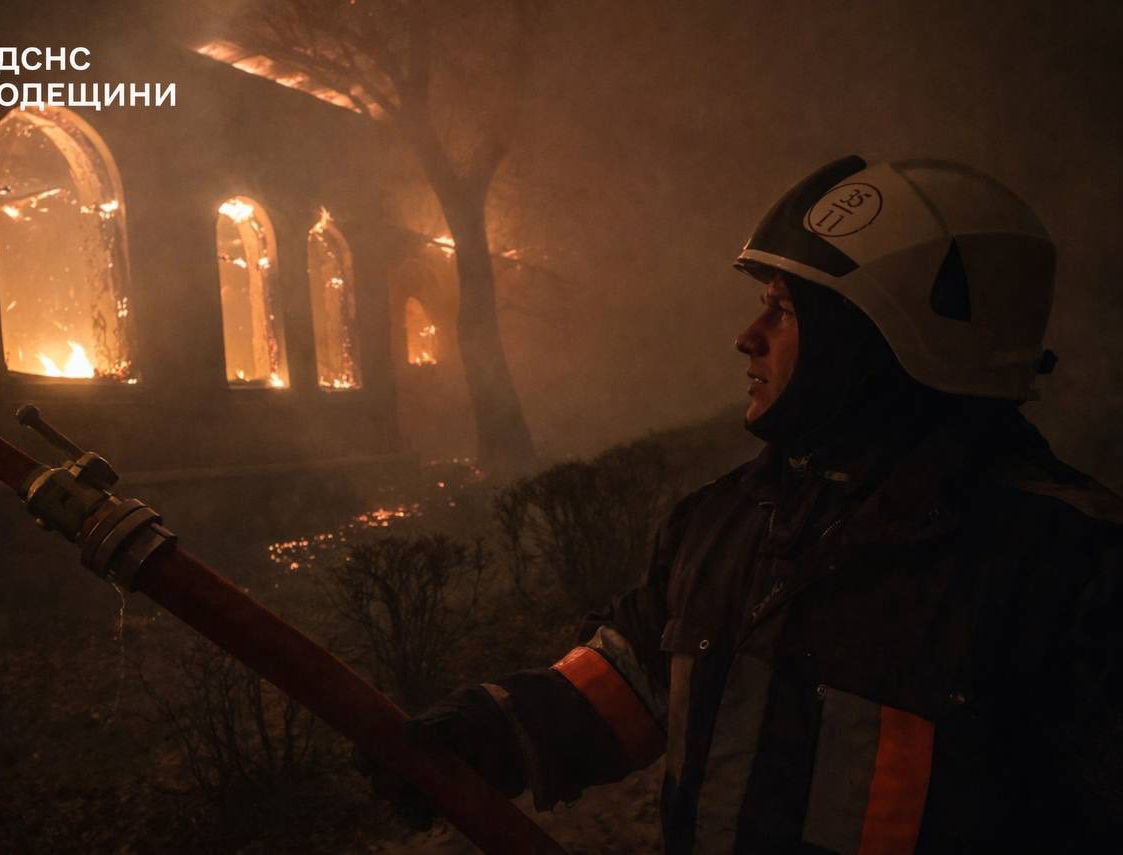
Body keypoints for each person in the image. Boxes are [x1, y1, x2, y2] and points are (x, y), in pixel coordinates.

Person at [401, 157, 1123, 853]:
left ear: (887, 341)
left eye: (783, 310)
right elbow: (630, 683)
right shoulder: (728, 520)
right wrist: (492, 732)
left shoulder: (1071, 575)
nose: (747, 338)